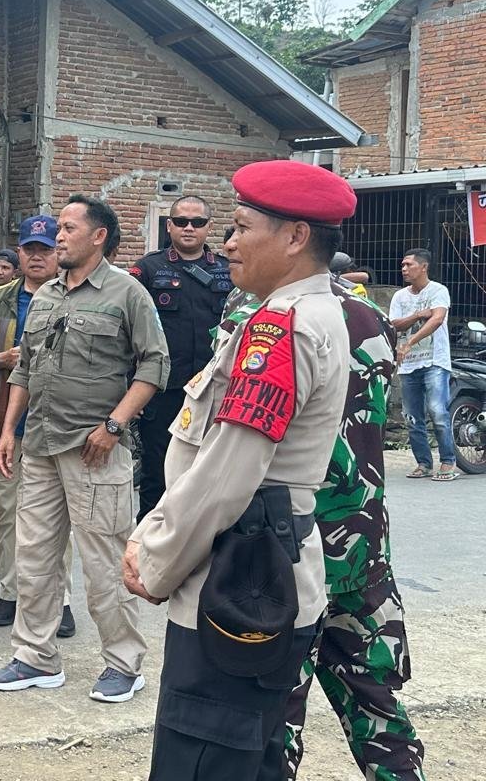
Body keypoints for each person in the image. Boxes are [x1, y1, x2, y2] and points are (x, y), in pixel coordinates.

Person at [124, 159, 356, 780]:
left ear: (295, 237)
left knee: (202, 758)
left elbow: (227, 473)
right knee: (248, 758)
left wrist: (155, 555)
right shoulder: (303, 314)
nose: (226, 243)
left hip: (237, 576)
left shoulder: (280, 329)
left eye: (241, 227)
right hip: (258, 567)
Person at [217, 282, 425, 779]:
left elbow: (230, 439)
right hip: (363, 545)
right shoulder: (368, 313)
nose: (231, 243)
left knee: (271, 715)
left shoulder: (256, 317)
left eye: (244, 227)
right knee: (376, 705)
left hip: (282, 551)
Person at [0, 196, 167, 702]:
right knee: (35, 556)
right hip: (39, 445)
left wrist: (113, 425)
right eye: (58, 229)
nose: (59, 236)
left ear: (98, 236)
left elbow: (155, 365)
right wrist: (7, 430)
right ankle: (35, 657)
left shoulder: (126, 292)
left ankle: (124, 664)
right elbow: (24, 369)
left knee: (105, 561)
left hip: (95, 451)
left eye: (68, 228)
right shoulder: (45, 296)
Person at [0, 216, 75, 635]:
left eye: (45, 249)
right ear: (18, 253)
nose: (37, 257)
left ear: (58, 252)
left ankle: (62, 598)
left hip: (57, 421)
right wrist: (4, 360)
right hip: (2, 416)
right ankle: (12, 592)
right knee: (7, 513)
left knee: (59, 519)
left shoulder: (75, 297)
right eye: (29, 249)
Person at [129, 196, 232, 521]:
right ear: (169, 225)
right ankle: (147, 548)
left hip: (214, 390)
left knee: (209, 472)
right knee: (157, 475)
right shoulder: (147, 269)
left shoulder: (227, 272)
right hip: (163, 391)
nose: (189, 228)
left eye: (197, 222)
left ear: (209, 227)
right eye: (182, 221)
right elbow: (128, 332)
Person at [390, 248, 457, 481]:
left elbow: (437, 318)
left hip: (434, 361)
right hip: (408, 366)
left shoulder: (439, 291)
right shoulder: (400, 297)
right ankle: (424, 463)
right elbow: (394, 324)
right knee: (411, 417)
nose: (404, 269)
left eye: (409, 265)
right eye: (403, 265)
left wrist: (410, 341)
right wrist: (419, 315)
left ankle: (448, 461)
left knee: (438, 412)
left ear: (424, 266)